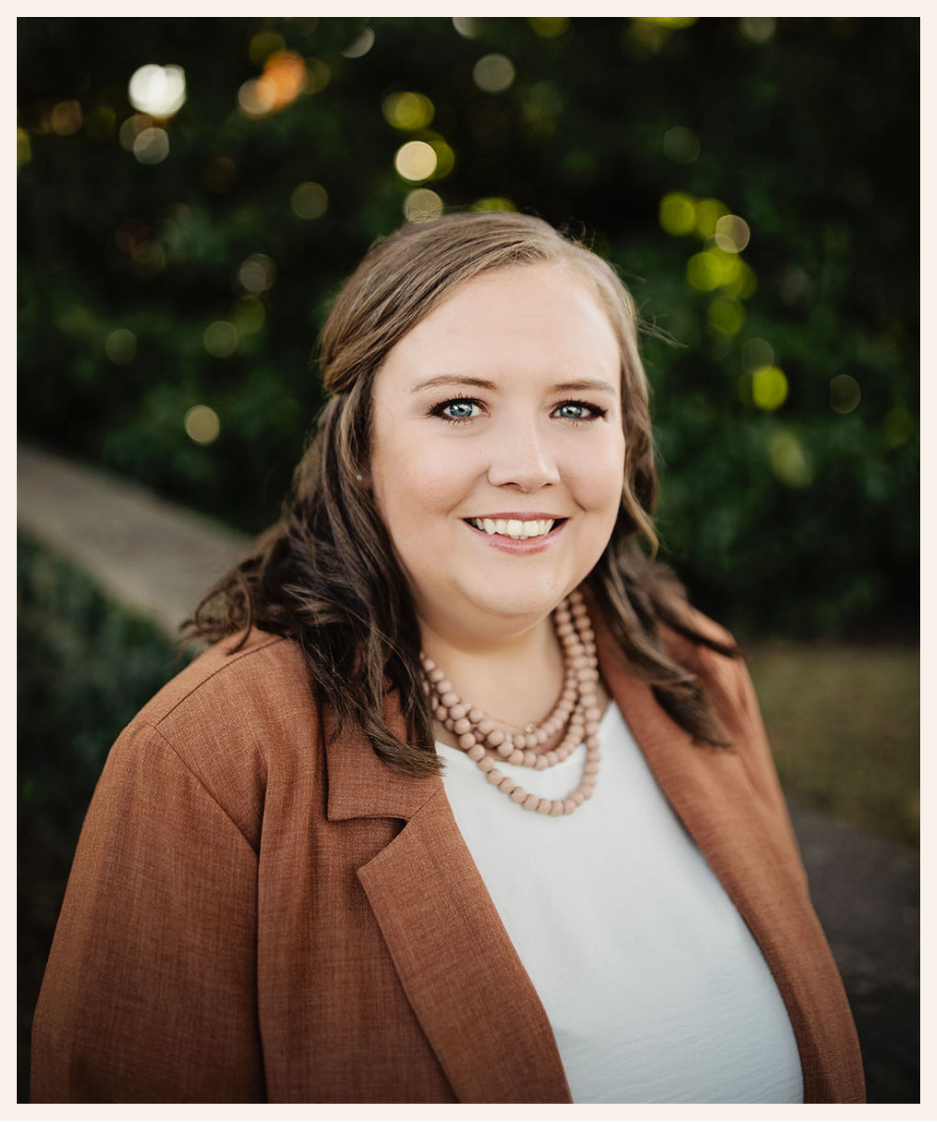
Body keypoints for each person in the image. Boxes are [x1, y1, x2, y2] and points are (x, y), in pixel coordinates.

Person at [31, 212, 865, 1103]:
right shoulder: (209, 758)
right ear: (358, 447)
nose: (528, 465)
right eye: (458, 406)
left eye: (575, 407)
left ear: (626, 440)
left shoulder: (694, 668)